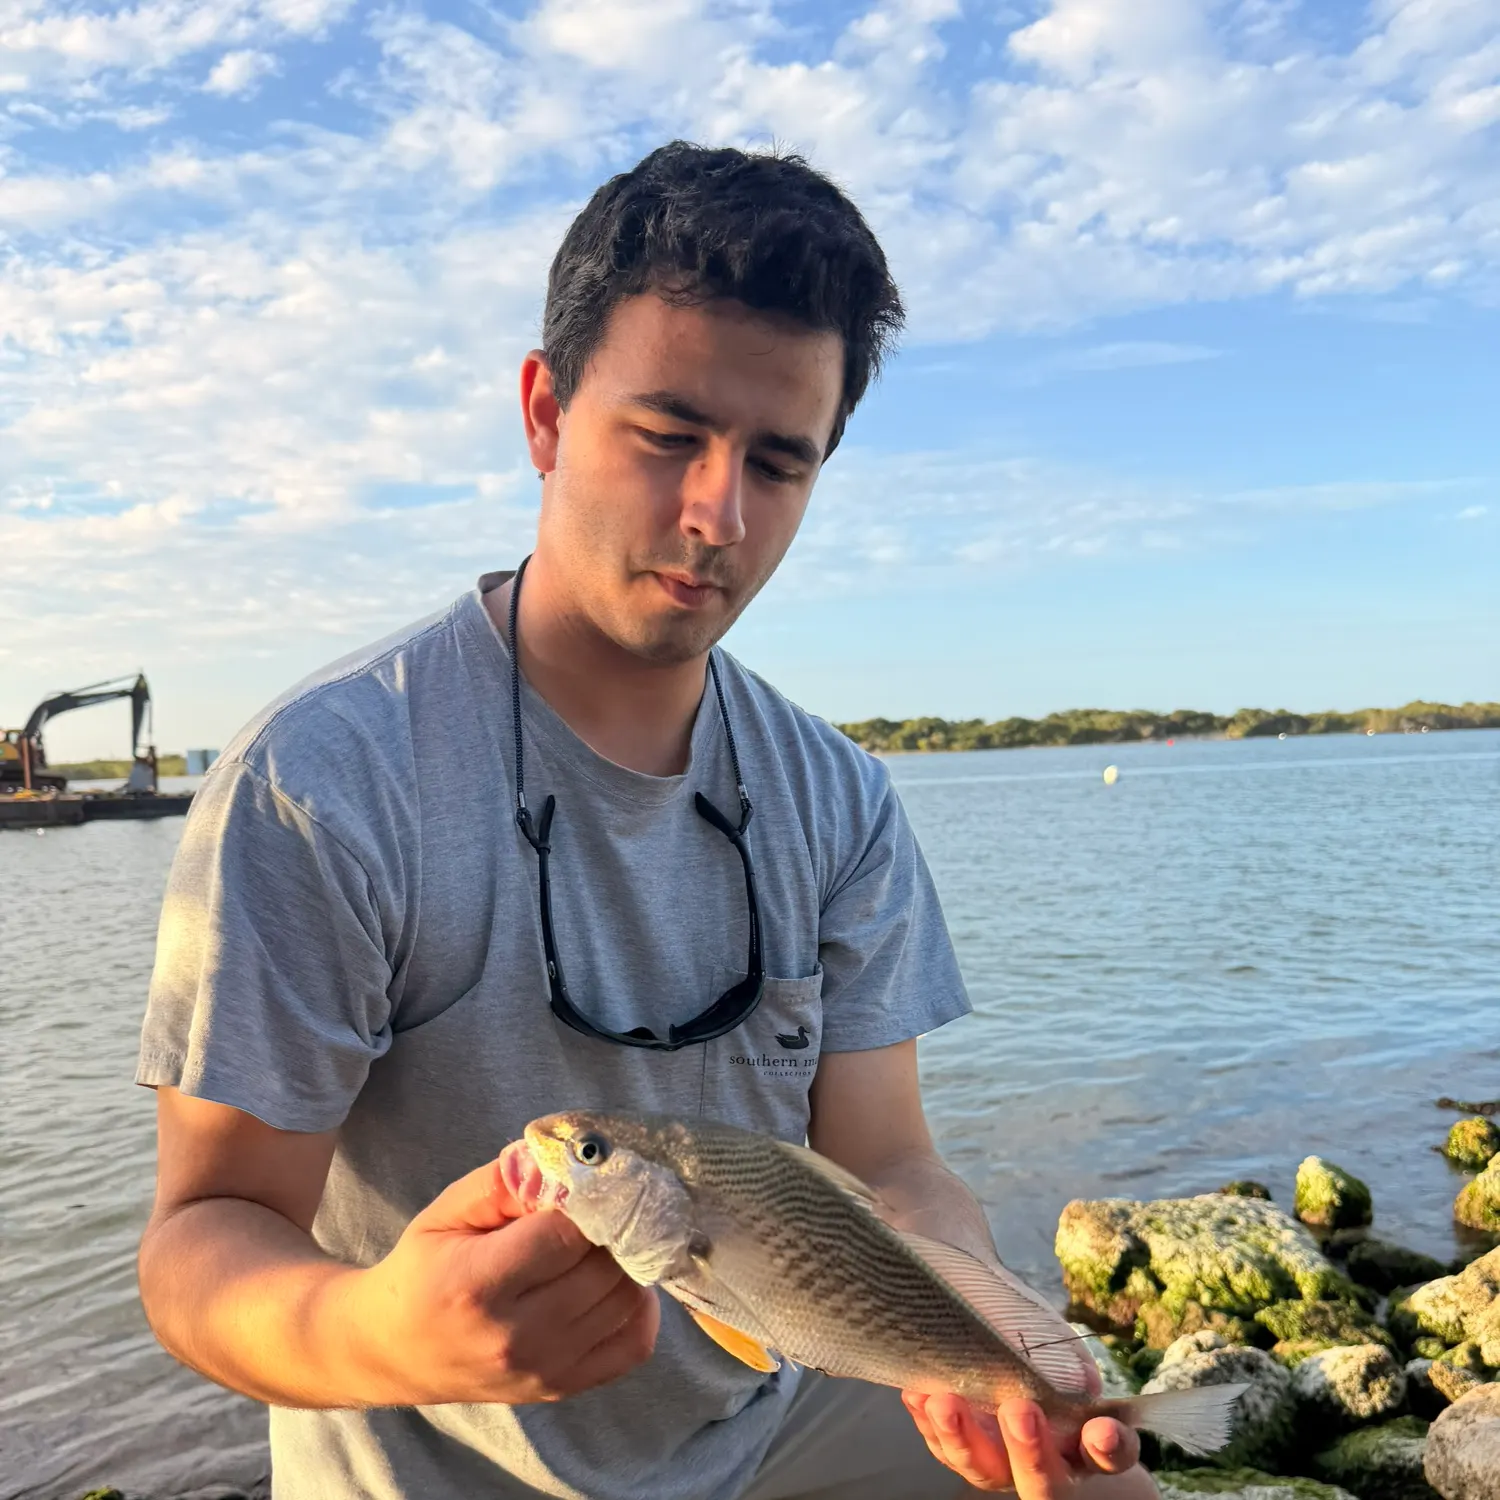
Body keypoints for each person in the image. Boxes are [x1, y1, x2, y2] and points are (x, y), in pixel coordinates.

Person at [135, 140, 1159, 1500]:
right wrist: (377, 1331)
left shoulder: (837, 796)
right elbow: (203, 1237)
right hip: (432, 1460)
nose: (716, 515)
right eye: (668, 435)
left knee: (1099, 1486)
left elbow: (891, 1164)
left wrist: (981, 1345)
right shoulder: (321, 780)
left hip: (776, 1414)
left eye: (779, 463)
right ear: (546, 414)